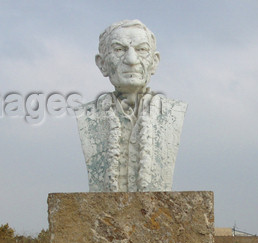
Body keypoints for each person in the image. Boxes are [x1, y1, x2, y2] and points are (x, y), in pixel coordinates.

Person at [77, 20, 187, 192]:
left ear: (154, 62)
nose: (131, 60)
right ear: (102, 63)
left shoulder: (173, 112)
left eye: (141, 50)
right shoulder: (88, 114)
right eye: (119, 50)